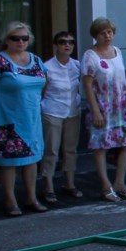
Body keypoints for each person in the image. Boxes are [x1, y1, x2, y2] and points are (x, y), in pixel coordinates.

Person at [0, 21, 48, 216]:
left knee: (31, 159)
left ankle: (31, 198)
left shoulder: (37, 60)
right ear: (6, 40)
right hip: (7, 118)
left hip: (31, 118)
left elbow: (44, 85)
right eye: (15, 38)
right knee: (10, 162)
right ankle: (10, 200)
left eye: (24, 38)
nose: (20, 42)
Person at [82, 17, 126, 202]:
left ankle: (119, 183)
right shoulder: (90, 55)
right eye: (103, 33)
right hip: (102, 106)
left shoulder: (117, 51)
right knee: (101, 147)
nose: (107, 36)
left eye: (110, 32)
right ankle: (105, 186)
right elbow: (87, 85)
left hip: (120, 107)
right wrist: (95, 110)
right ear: (96, 35)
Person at [40, 31, 82, 202]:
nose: (67, 45)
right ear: (56, 45)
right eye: (62, 42)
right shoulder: (47, 67)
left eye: (71, 42)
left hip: (73, 110)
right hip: (52, 111)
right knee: (51, 150)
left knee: (70, 149)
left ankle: (69, 183)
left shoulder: (77, 65)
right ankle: (48, 185)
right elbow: (41, 91)